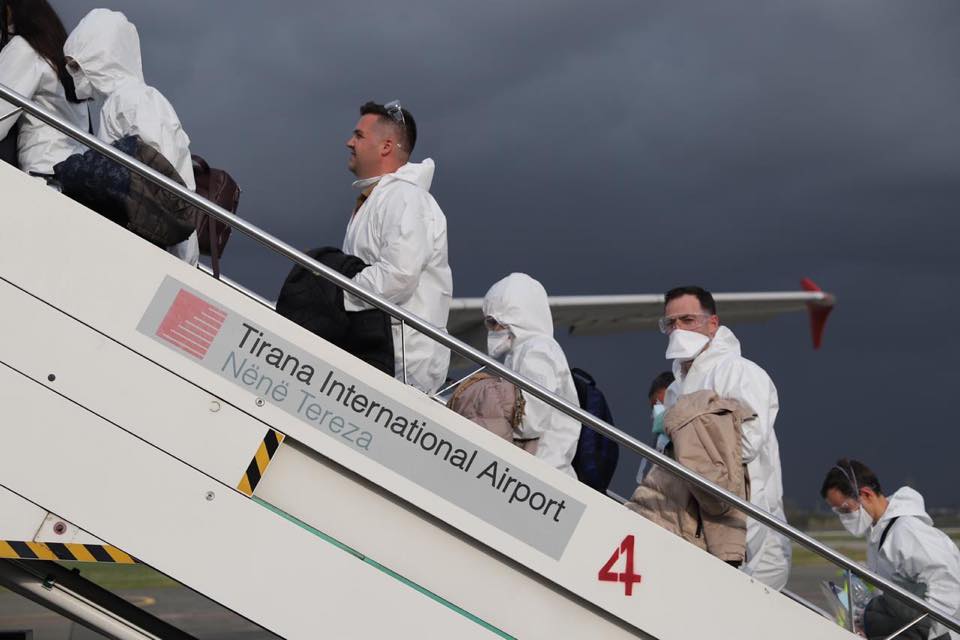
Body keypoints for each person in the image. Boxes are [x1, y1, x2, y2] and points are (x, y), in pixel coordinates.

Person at [659, 285, 791, 589]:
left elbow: (745, 445)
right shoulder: (677, 387)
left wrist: (689, 452)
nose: (678, 329)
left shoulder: (741, 373)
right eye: (671, 323)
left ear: (712, 323)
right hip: (693, 509)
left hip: (742, 508)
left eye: (688, 320)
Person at [63, 9, 198, 265]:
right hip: (143, 239)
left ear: (100, 58)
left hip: (156, 245)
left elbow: (166, 182)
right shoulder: (117, 103)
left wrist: (182, 260)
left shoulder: (135, 100)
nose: (73, 75)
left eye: (76, 65)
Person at [342, 100, 451, 394]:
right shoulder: (379, 197)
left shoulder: (405, 198)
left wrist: (336, 292)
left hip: (401, 366)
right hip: (377, 353)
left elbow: (399, 276)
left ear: (386, 146)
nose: (349, 142)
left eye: (359, 136)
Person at [821, 460, 960, 640]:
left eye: (845, 509)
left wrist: (921, 631)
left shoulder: (907, 531)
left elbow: (947, 583)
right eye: (837, 511)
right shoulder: (881, 533)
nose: (843, 517)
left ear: (866, 494)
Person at [482, 273, 581, 477]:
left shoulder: (538, 351)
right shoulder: (523, 350)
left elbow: (530, 420)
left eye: (494, 322)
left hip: (542, 473)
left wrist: (484, 405)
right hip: (537, 470)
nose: (491, 330)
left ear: (515, 317)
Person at [0, 0, 88, 178]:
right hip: (74, 177)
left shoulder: (24, 48)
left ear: (11, 12)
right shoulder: (62, 60)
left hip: (43, 171)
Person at [636, 370, 675, 483]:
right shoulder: (658, 441)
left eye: (663, 404)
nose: (658, 411)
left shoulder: (689, 437)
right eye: (655, 407)